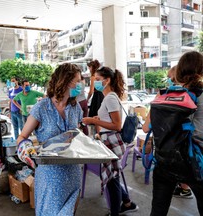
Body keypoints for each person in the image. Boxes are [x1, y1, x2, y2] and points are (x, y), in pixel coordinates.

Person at [17, 63, 83, 215]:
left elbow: (77, 136)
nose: (80, 85)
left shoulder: (75, 107)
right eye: (77, 81)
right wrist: (28, 151)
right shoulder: (42, 108)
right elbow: (22, 137)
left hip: (72, 173)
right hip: (50, 175)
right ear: (65, 81)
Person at [143, 51, 203, 215]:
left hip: (165, 161)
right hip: (195, 164)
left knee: (158, 210)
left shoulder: (162, 95)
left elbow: (146, 128)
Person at [82, 66, 138, 216]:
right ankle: (127, 203)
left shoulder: (111, 98)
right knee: (113, 177)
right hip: (108, 140)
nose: (96, 83)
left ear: (107, 80)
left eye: (98, 80)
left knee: (112, 181)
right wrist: (97, 119)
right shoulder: (108, 97)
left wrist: (94, 122)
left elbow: (117, 125)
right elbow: (109, 119)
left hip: (112, 141)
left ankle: (115, 212)